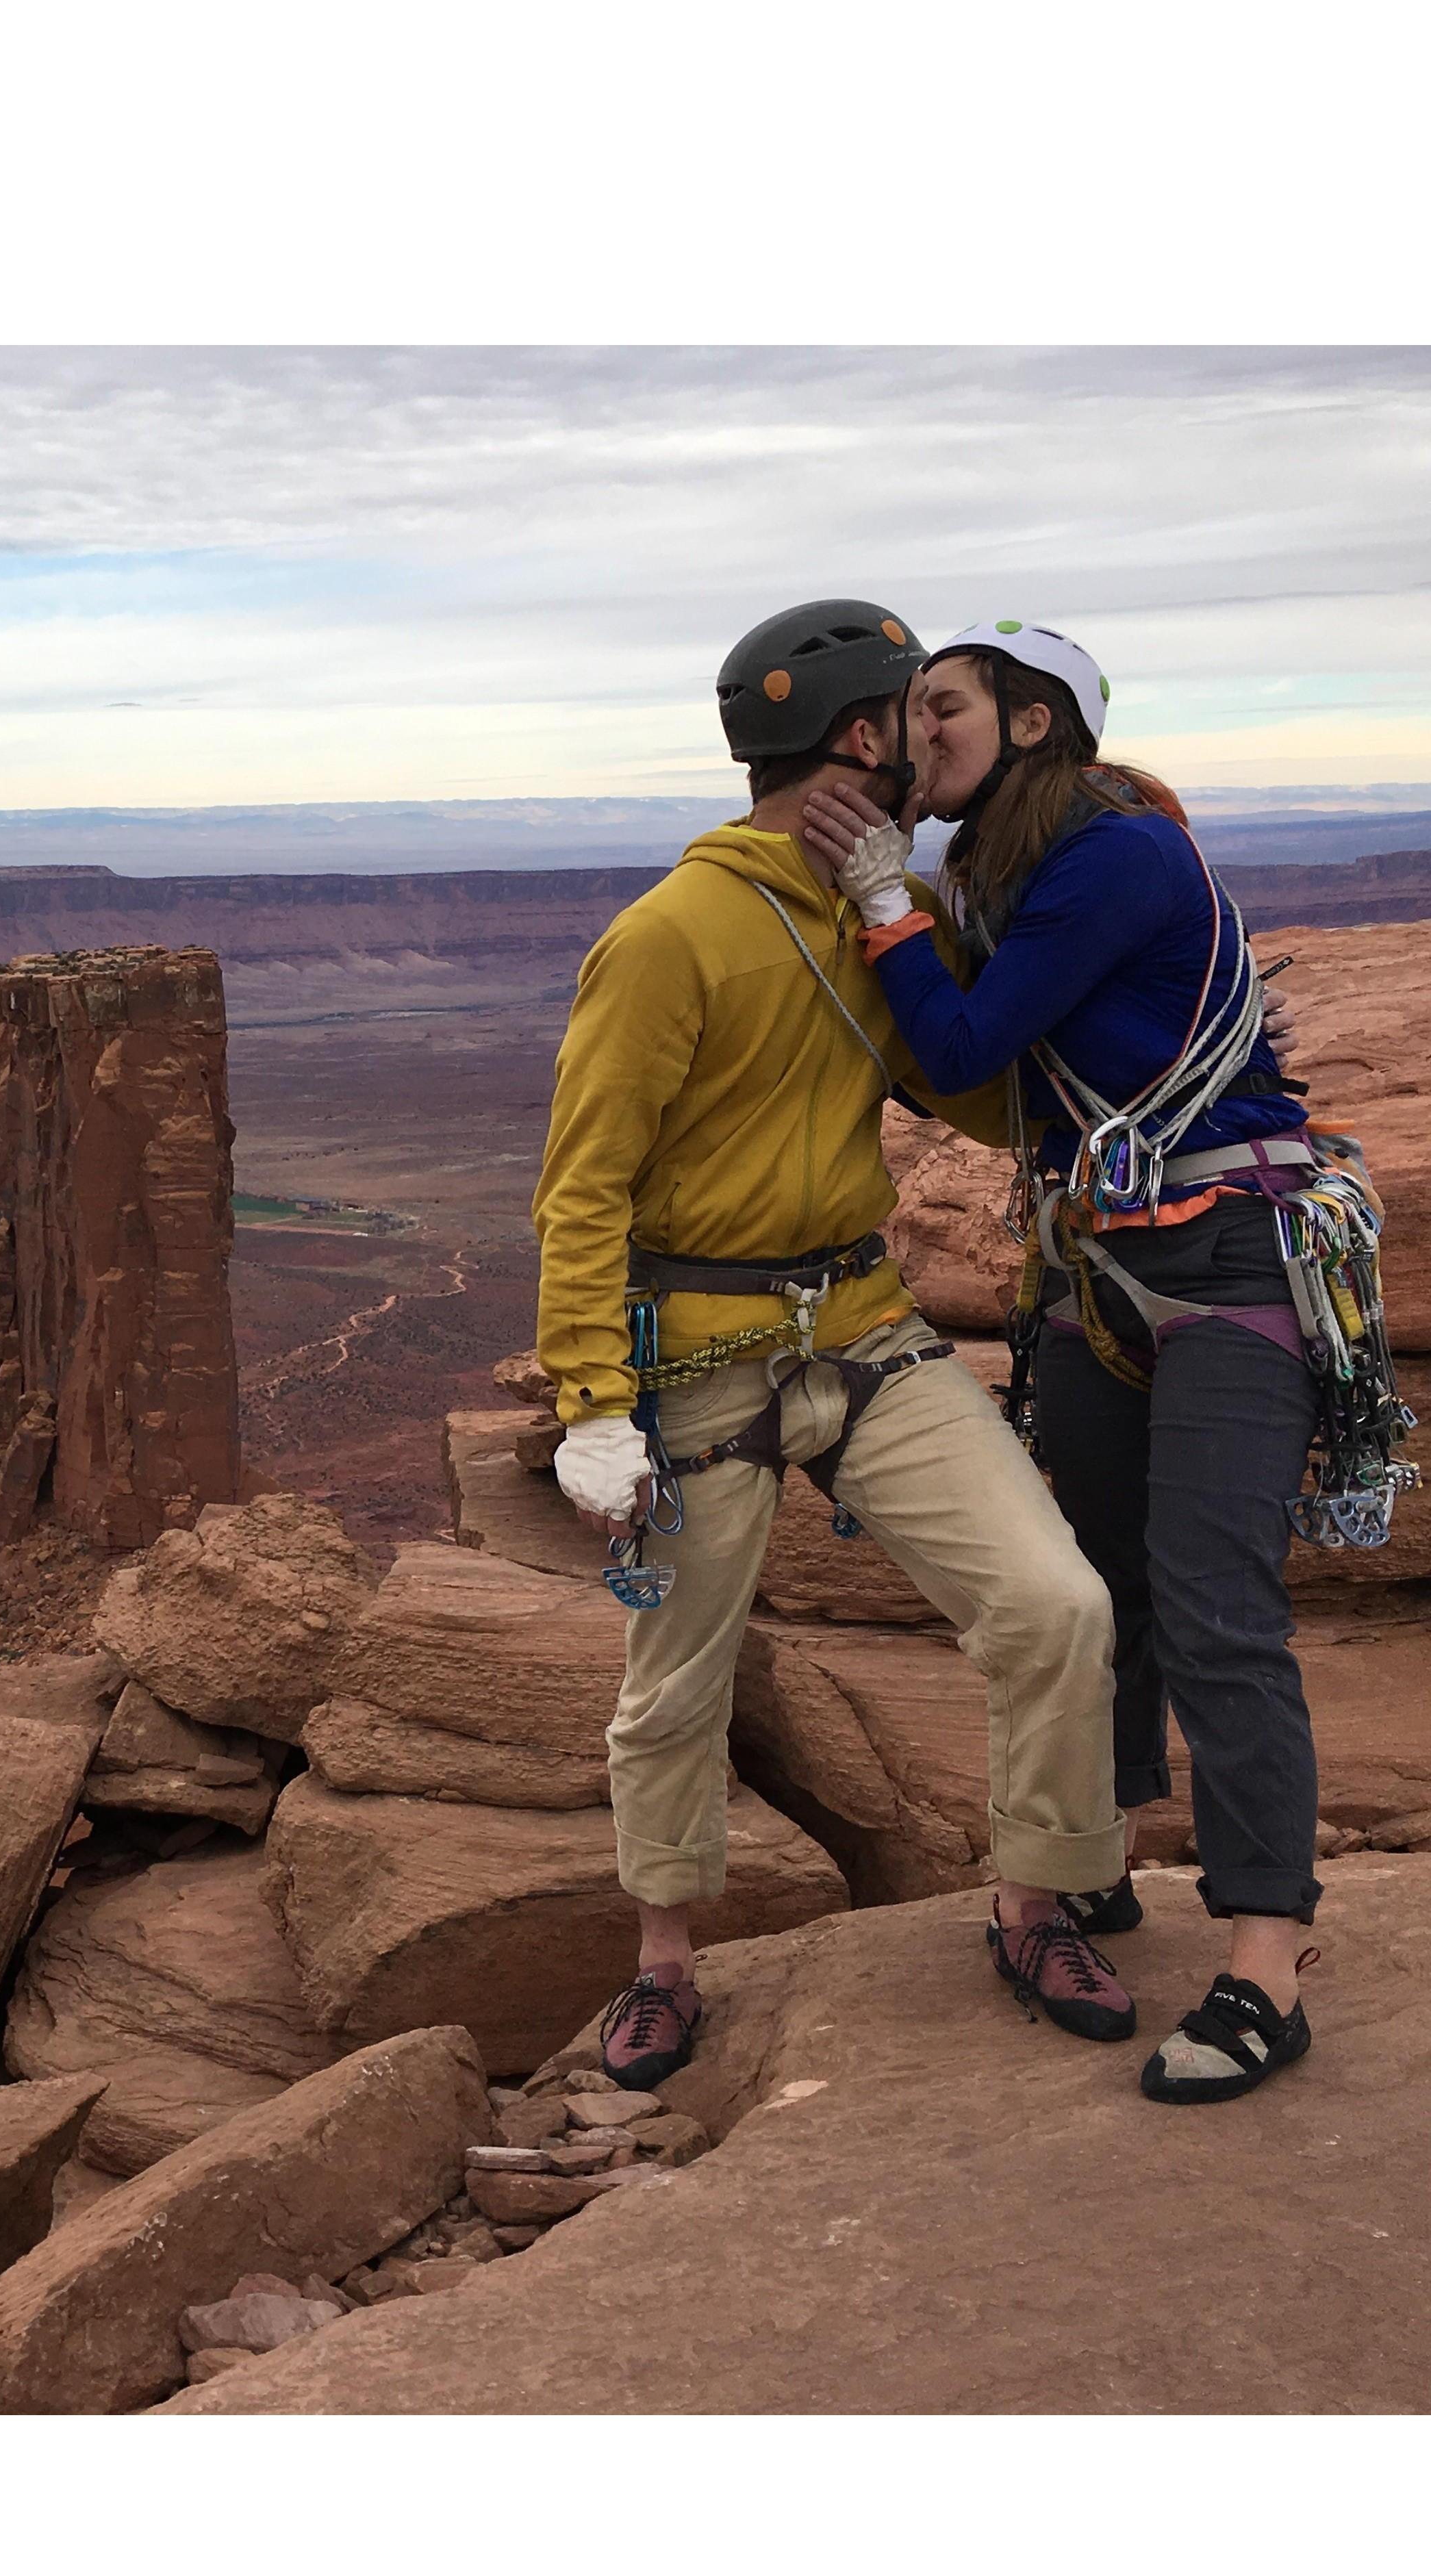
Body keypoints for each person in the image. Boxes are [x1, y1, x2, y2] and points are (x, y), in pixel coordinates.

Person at [536, 599, 1136, 2093]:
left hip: (864, 1329)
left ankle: (1034, 1898)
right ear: (862, 737)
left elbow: (975, 1090)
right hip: (697, 1358)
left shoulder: (880, 916)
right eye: (917, 719)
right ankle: (665, 1962)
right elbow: (583, 1185)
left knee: (1055, 1604)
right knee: (677, 1682)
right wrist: (591, 1398)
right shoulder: (671, 937)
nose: (936, 740)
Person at [807, 616, 1395, 2101]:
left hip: (1224, 1263)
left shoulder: (1116, 857)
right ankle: (1102, 1866)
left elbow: (962, 1047)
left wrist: (882, 896)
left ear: (1034, 719)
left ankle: (1267, 1965)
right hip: (1094, 1268)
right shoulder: (1012, 869)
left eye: (942, 704)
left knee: (1213, 1613)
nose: (914, 728)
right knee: (1102, 1587)